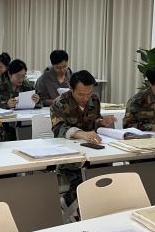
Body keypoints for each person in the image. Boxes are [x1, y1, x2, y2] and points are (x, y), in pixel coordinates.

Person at [50, 70, 117, 205]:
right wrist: (81, 133)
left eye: (89, 93)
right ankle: (72, 205)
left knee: (107, 178)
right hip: (71, 157)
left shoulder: (94, 100)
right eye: (81, 94)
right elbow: (58, 128)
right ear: (71, 88)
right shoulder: (60, 103)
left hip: (93, 151)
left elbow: (94, 120)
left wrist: (101, 122)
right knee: (82, 185)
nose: (86, 98)